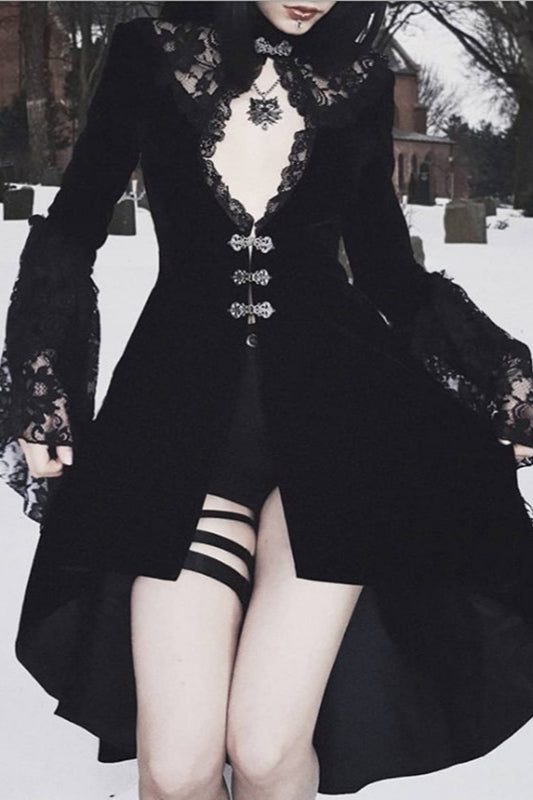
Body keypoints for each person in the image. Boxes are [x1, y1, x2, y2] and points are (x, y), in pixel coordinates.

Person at [2, 1, 533, 797]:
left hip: (343, 435)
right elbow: (76, 223)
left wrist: (504, 384)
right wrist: (39, 373)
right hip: (178, 430)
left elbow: (386, 271)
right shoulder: (150, 54)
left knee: (263, 749)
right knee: (176, 767)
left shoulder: (358, 80)